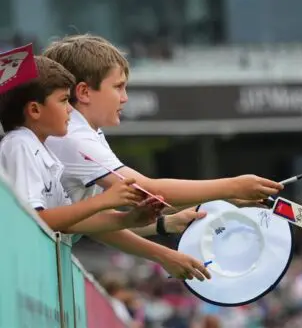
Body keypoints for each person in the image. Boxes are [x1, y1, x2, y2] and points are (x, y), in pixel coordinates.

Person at [43, 34, 283, 238]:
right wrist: (233, 186)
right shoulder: (74, 137)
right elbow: (147, 190)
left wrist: (223, 198)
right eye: (118, 87)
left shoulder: (88, 131)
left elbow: (95, 219)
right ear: (84, 91)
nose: (124, 97)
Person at [0, 51, 211, 281]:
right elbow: (36, 220)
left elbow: (72, 223)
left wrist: (129, 220)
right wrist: (105, 201)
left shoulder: (41, 150)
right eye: (63, 100)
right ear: (34, 110)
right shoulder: (19, 144)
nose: (70, 108)